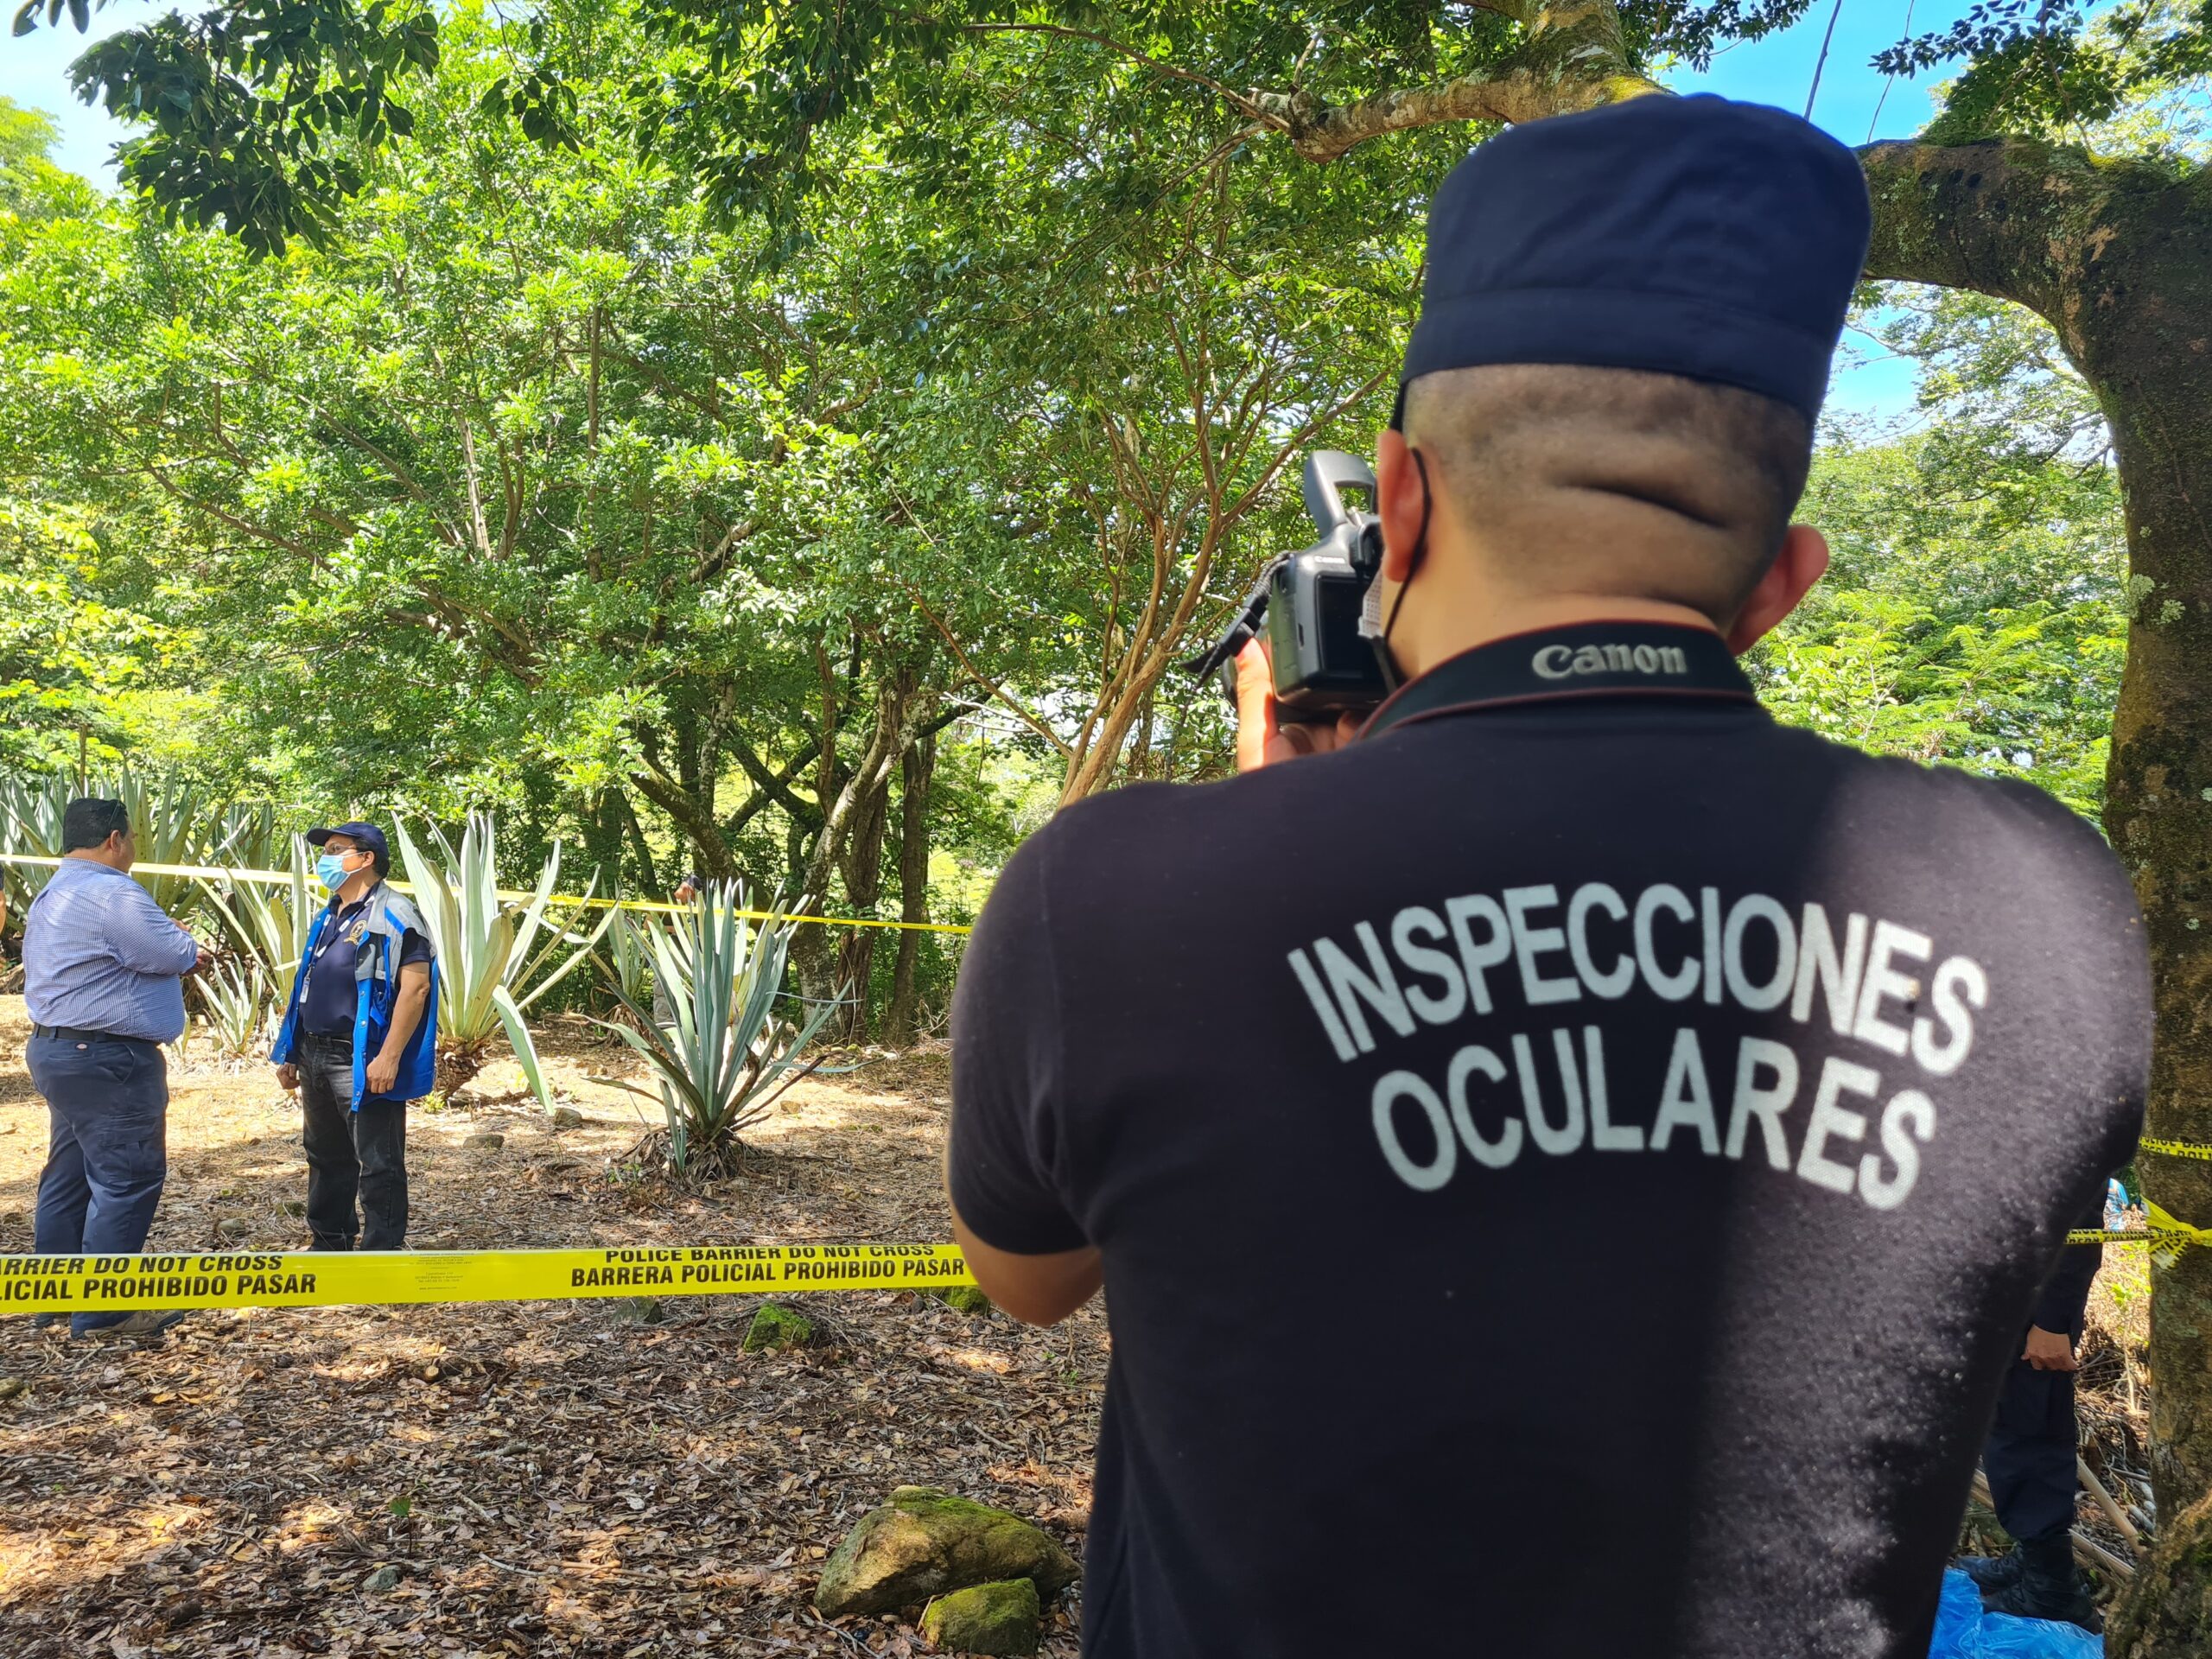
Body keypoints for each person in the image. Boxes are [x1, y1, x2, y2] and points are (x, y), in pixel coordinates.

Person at [943, 96, 2149, 1659]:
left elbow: (1029, 1279)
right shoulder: (2052, 906)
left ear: (1399, 502)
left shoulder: (1114, 896)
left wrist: (1266, 833)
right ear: (1783, 584)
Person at [23, 796, 209, 1339]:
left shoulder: (54, 892)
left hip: (60, 1052)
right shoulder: (114, 893)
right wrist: (183, 939)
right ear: (114, 840)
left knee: (68, 1175)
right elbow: (175, 954)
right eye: (132, 839)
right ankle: (105, 1314)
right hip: (111, 1059)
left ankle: (53, 1297)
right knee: (126, 1179)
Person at [270, 823, 438, 1250]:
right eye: (326, 850)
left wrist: (390, 1057)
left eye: (335, 850)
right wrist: (292, 1050)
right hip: (314, 1054)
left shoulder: (395, 914)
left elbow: (416, 988)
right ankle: (330, 1244)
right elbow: (307, 983)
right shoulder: (329, 915)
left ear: (366, 859)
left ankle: (380, 1255)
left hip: (361, 1059)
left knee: (378, 1161)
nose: (325, 859)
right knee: (325, 1156)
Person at [1960, 1192, 2107, 1628]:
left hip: (2036, 1307)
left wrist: (2054, 1320)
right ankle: (2033, 1557)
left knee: (2030, 1432)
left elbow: (2080, 1208)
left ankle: (2053, 1586)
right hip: (1998, 1287)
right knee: (2005, 1429)